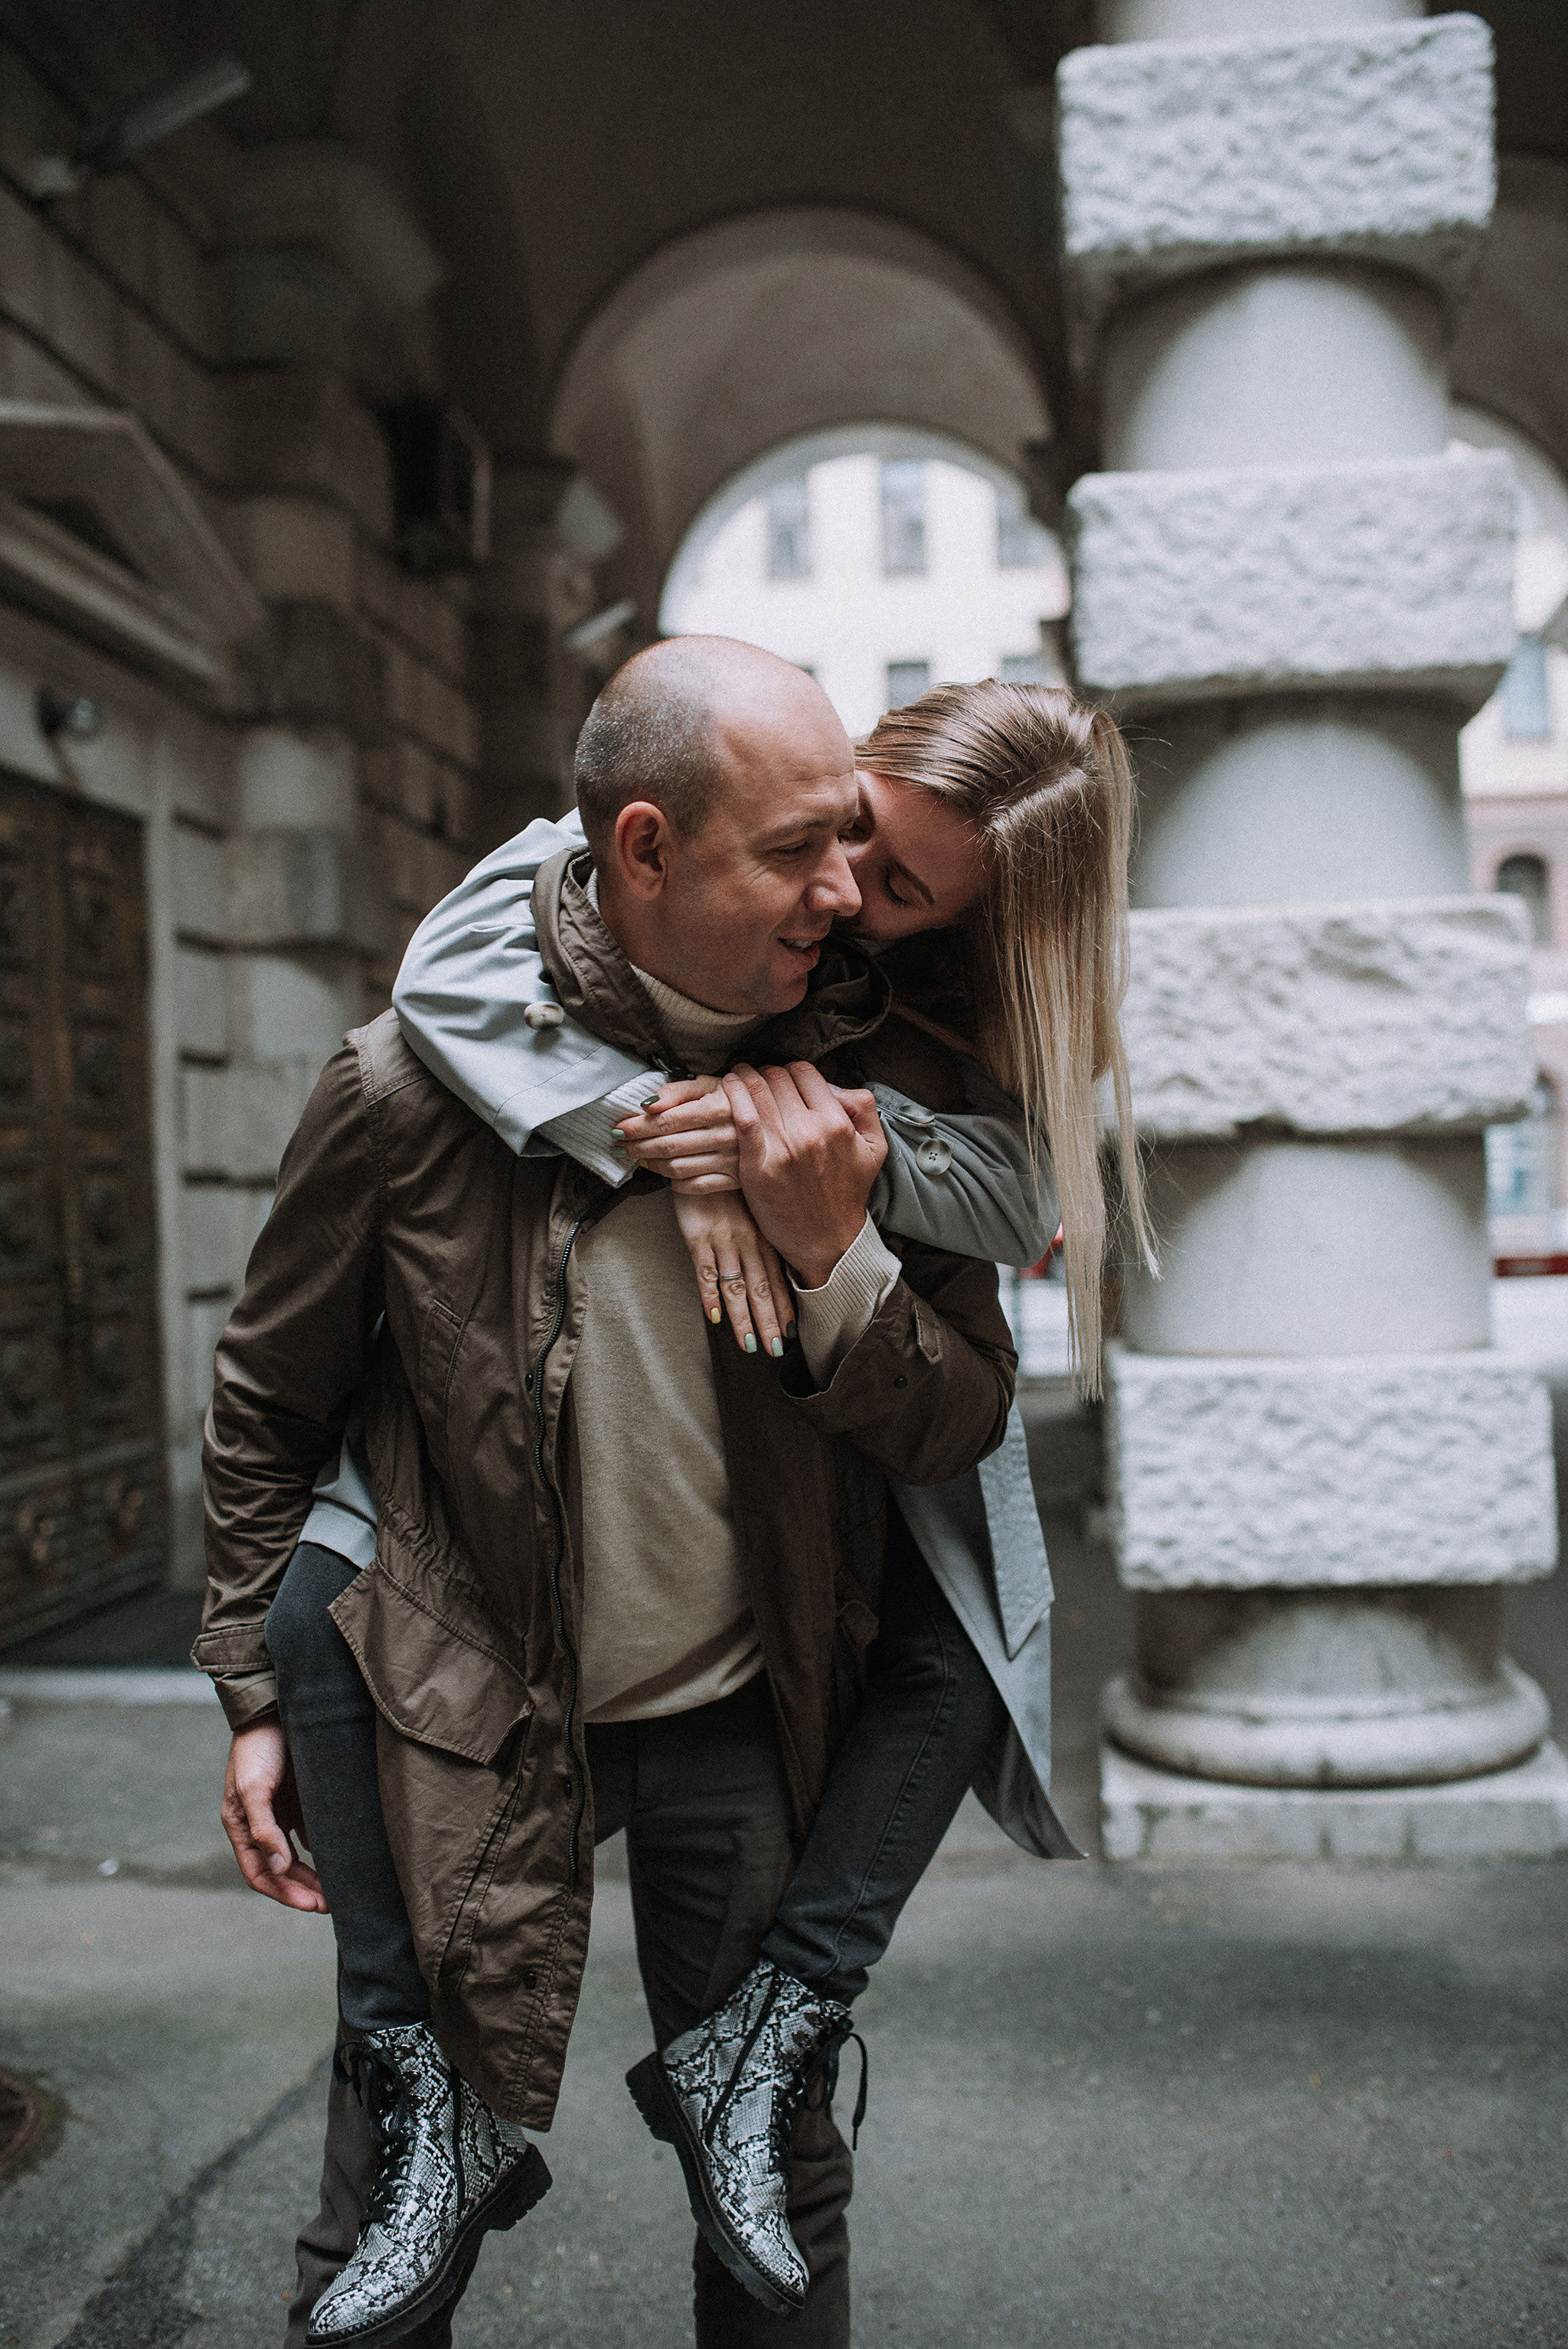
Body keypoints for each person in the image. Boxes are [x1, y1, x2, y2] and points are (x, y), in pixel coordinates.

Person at [214, 665, 1152, 2337]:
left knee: (776, 2195)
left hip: (744, 1703)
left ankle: (760, 2046)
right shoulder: (416, 1080)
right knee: (390, 2188)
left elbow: (960, 1416)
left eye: (880, 876)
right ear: (650, 848)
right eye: (820, 842)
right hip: (471, 1701)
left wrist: (830, 1245)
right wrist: (253, 1690)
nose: (848, 898)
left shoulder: (884, 1079)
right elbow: (273, 1398)